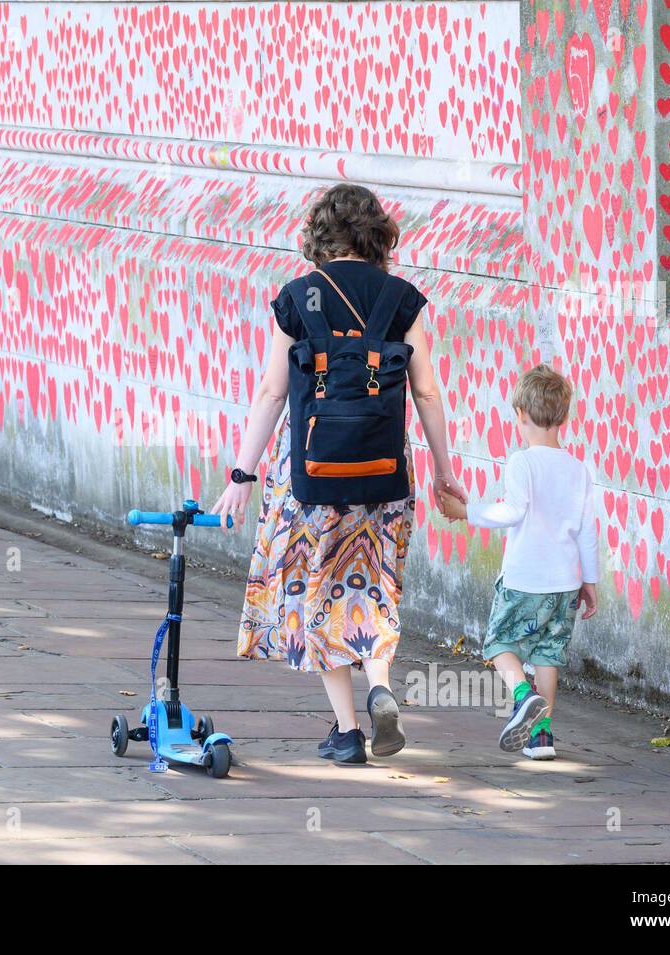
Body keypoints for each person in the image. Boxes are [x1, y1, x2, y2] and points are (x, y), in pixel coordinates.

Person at [212, 182, 467, 765]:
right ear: (376, 233)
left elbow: (273, 391)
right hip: (384, 472)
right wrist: (444, 470)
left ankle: (348, 731)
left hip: (310, 478)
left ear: (320, 233)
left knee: (319, 590)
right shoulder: (402, 298)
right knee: (373, 585)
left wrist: (240, 474)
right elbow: (426, 389)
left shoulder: (297, 297)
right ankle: (379, 683)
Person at [438, 364, 599, 760]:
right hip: (564, 584)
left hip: (524, 579)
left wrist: (466, 512)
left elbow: (512, 511)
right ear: (562, 417)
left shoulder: (521, 463)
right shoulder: (579, 470)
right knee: (547, 654)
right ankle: (540, 737)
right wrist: (590, 581)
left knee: (498, 644)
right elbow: (587, 531)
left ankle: (523, 695)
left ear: (521, 416)